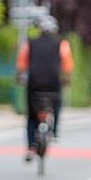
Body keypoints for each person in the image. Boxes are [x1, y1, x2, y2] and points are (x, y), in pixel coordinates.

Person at [15, 14, 73, 160]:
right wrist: (66, 79)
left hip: (34, 83)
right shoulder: (61, 44)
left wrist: (19, 79)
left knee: (31, 116)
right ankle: (54, 130)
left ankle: (30, 147)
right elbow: (67, 65)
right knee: (57, 103)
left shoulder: (30, 44)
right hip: (53, 83)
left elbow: (21, 64)